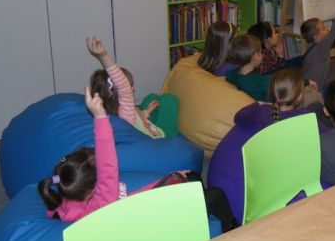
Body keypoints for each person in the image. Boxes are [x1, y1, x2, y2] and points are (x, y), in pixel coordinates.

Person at [38, 85, 237, 231]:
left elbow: (134, 197)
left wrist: (170, 178)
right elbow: (108, 163)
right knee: (215, 195)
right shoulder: (102, 201)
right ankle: (231, 230)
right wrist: (100, 117)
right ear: (95, 185)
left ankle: (190, 193)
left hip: (138, 210)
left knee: (192, 177)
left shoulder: (71, 198)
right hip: (151, 226)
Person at [207, 68, 328, 222]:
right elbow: (329, 139)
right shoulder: (306, 117)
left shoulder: (260, 112)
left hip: (218, 190)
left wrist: (257, 104)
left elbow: (238, 117)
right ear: (300, 97)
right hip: (246, 205)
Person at [87, 36, 170, 138]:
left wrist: (146, 112)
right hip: (161, 137)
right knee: (170, 99)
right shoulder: (125, 114)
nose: (133, 89)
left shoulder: (117, 111)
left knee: (152, 97)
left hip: (143, 122)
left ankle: (148, 111)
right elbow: (124, 87)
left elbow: (136, 118)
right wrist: (103, 56)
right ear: (112, 93)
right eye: (130, 86)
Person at [225, 34, 272, 101]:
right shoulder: (264, 82)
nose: (263, 55)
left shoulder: (230, 75)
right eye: (261, 52)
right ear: (255, 56)